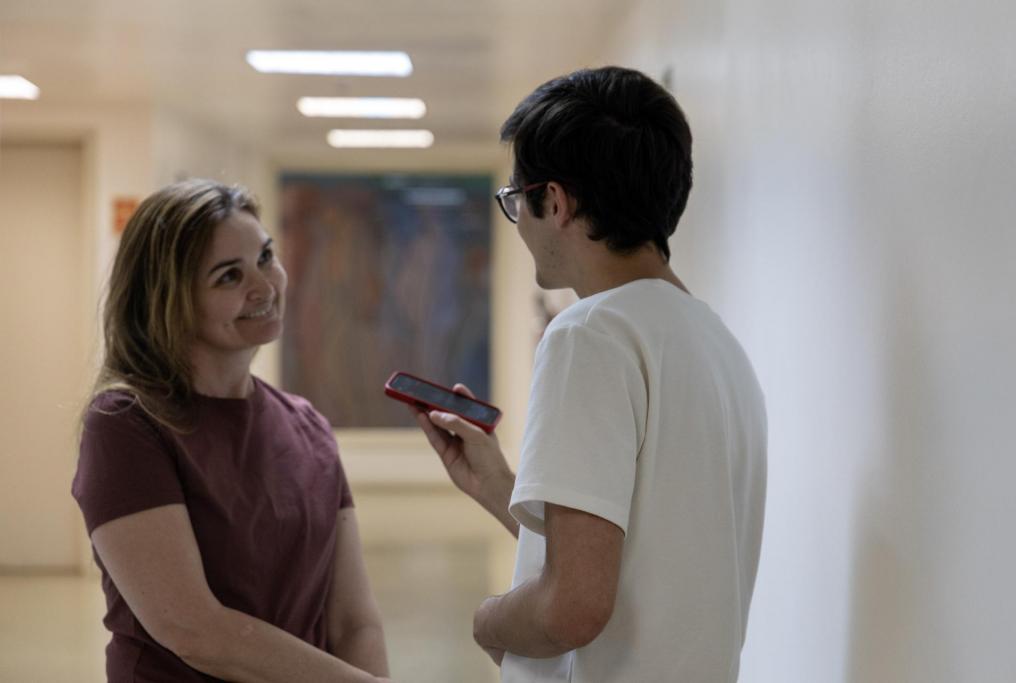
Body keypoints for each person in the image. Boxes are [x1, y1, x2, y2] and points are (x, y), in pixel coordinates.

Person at [410, 66, 767, 682]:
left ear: (555, 201)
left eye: (517, 201)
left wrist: (487, 621)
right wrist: (500, 486)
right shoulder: (717, 343)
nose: (519, 223)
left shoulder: (586, 335)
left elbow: (572, 609)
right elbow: (644, 556)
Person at [72, 179, 391, 683]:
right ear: (170, 299)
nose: (264, 288)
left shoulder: (308, 426)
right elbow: (194, 629)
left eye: (265, 257)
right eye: (228, 277)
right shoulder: (127, 425)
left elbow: (355, 622)